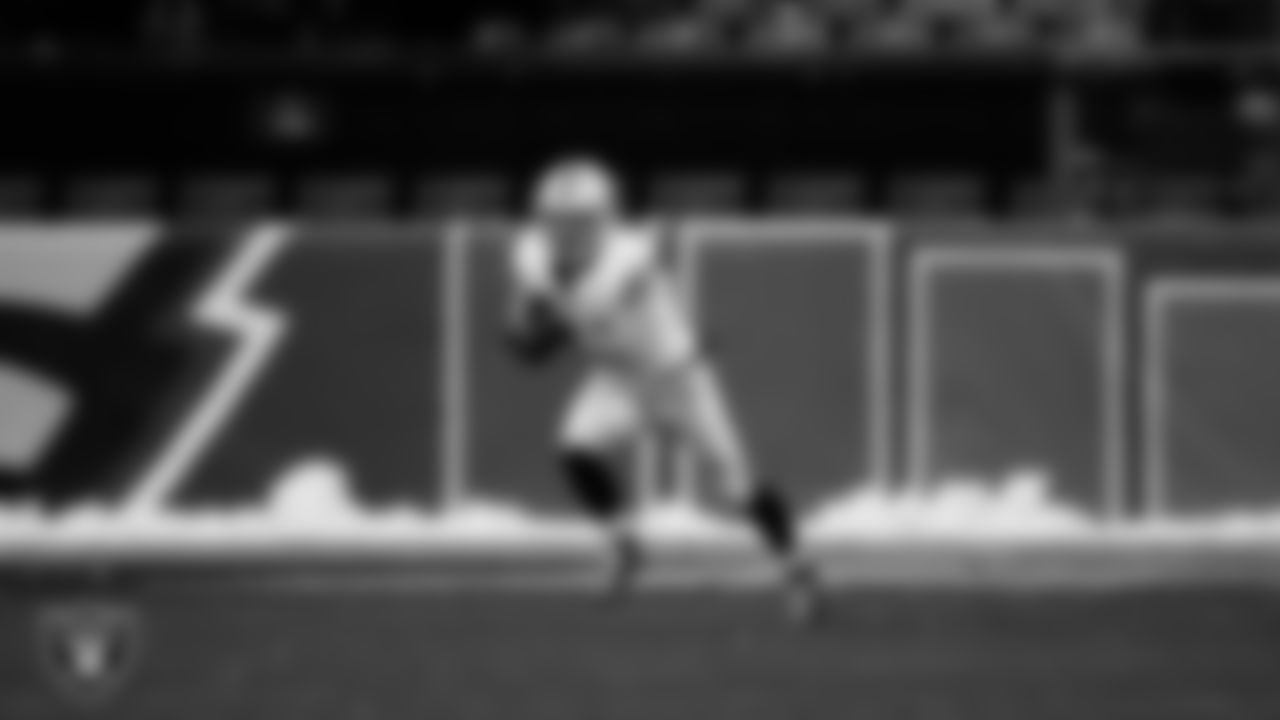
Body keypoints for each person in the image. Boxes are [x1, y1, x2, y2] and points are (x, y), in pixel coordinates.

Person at [505, 156, 821, 623]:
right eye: (559, 222)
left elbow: (554, 333)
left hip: (679, 376)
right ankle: (624, 543)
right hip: (617, 376)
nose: (569, 234)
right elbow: (531, 317)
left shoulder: (627, 257)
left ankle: (796, 567)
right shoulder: (531, 252)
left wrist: (529, 334)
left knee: (739, 487)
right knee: (575, 449)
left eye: (581, 223)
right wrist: (522, 323)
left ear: (606, 220)